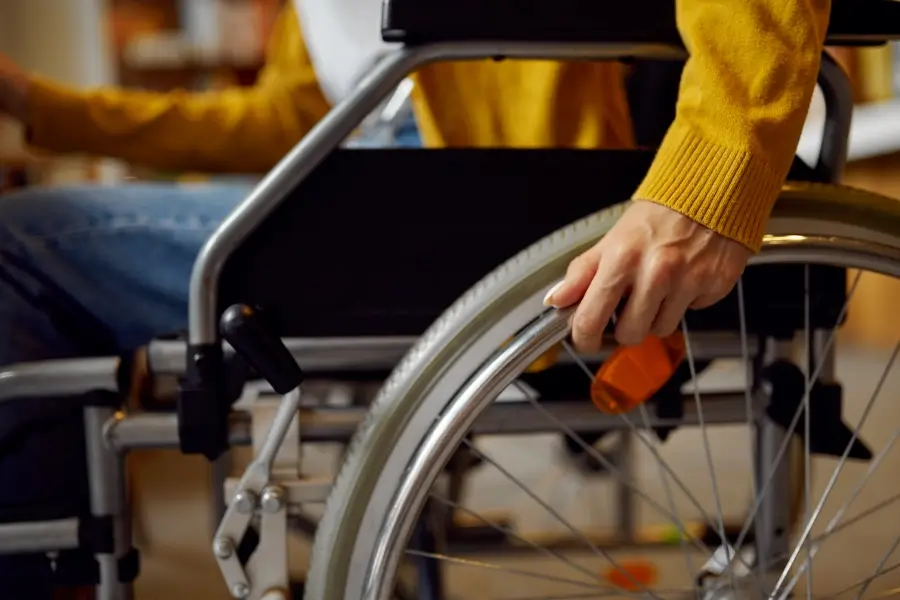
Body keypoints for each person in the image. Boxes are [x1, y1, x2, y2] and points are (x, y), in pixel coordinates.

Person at [0, 0, 828, 596]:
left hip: (482, 192)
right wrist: (42, 107)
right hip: (371, 176)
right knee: (26, 235)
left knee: (19, 248)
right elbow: (289, 113)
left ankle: (42, 574)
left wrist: (711, 177)